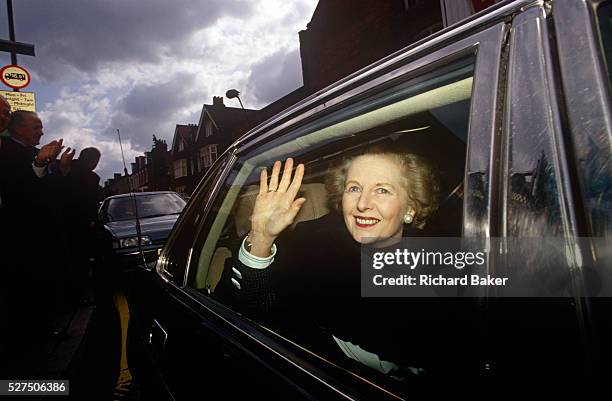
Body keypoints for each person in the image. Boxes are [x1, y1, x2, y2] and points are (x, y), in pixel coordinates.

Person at [216, 145, 470, 382]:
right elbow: (245, 307)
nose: (362, 204)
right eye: (354, 188)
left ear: (410, 208)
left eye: (382, 190)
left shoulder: (449, 255)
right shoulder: (311, 248)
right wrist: (262, 236)